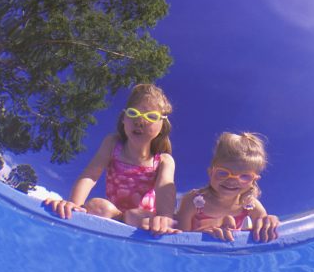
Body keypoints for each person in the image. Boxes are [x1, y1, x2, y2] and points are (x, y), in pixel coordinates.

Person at [44, 84, 178, 235]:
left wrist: (164, 218)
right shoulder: (113, 144)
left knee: (135, 216)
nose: (140, 121)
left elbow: (165, 188)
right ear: (123, 119)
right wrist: (73, 204)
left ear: (162, 125)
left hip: (142, 223)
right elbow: (91, 175)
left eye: (151, 116)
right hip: (111, 217)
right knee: (97, 205)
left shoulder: (163, 160)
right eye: (133, 113)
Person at [174, 132, 279, 242]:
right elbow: (179, 240)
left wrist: (269, 221)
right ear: (211, 172)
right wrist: (201, 236)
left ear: (254, 180)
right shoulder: (192, 201)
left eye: (244, 176)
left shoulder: (251, 205)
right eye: (223, 173)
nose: (232, 181)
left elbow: (264, 231)